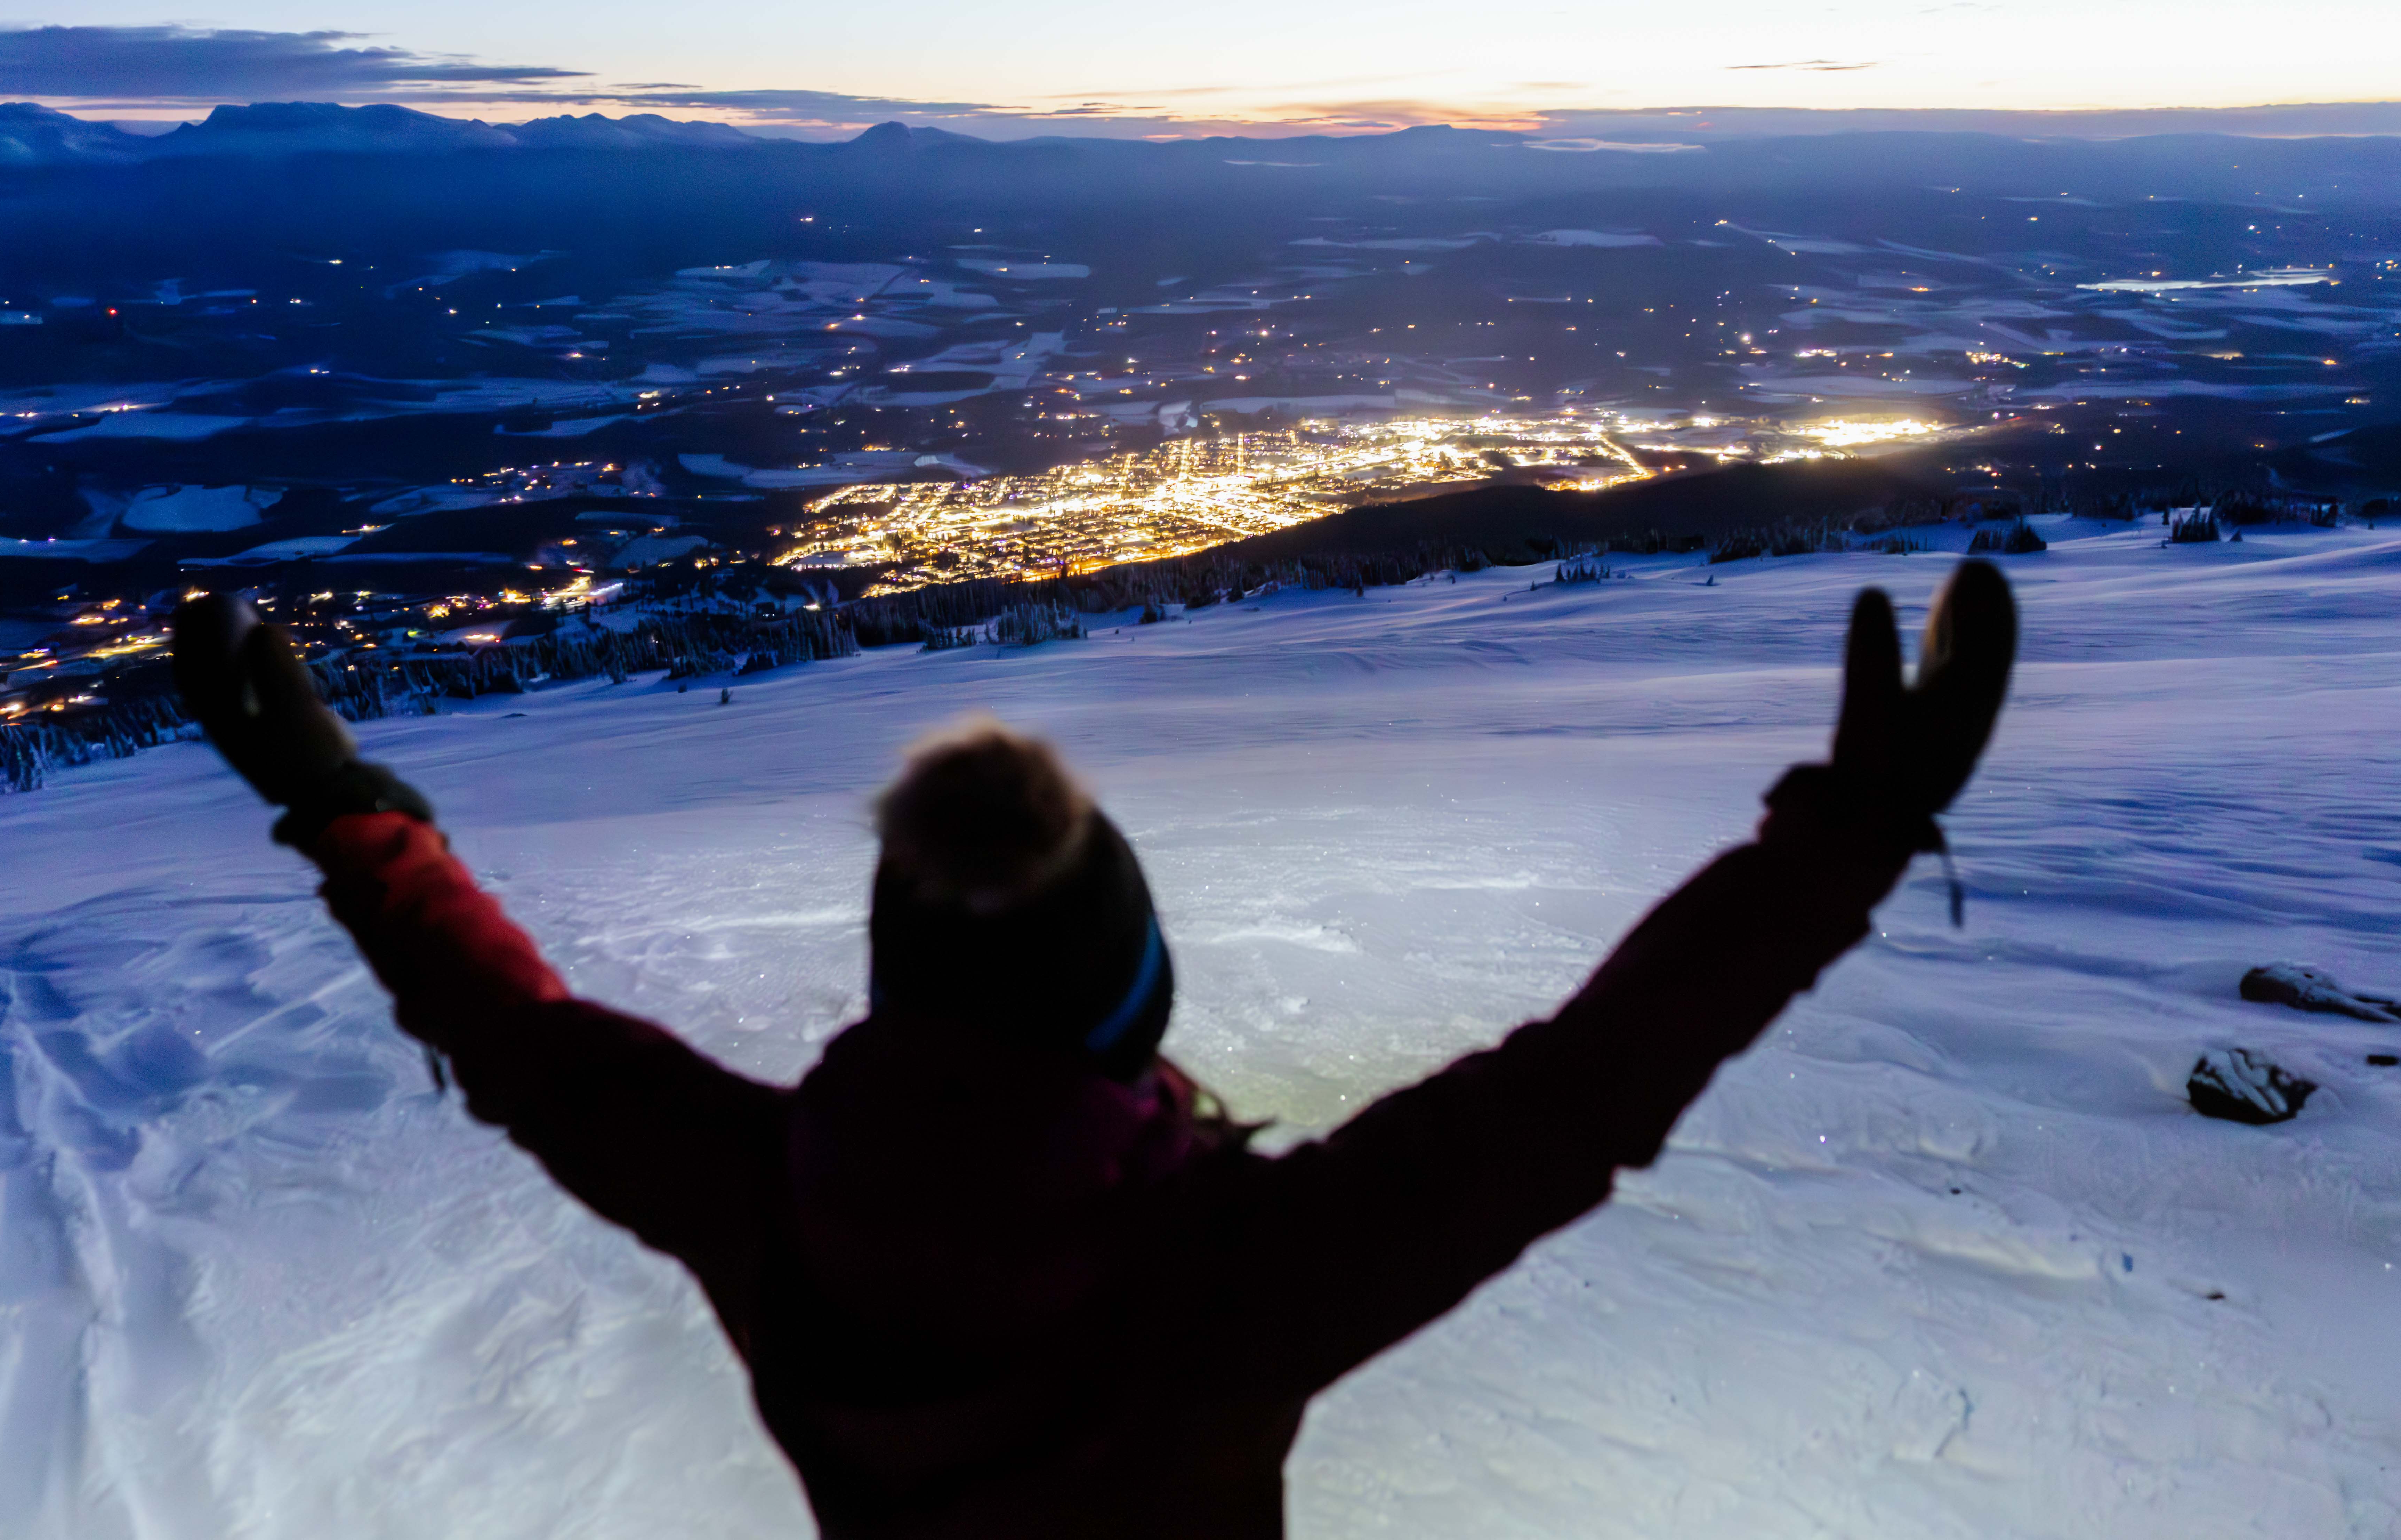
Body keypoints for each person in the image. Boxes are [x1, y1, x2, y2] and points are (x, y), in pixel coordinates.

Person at [174, 563, 2015, 1540]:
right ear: (1139, 1009)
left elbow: (522, 1041)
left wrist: (347, 809)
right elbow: (1578, 1096)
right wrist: (1842, 838)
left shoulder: (764, 1200)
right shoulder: (1220, 1283)